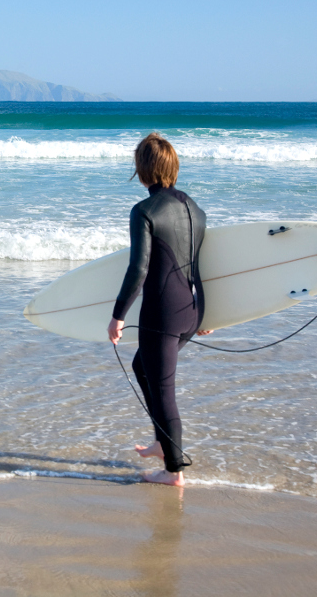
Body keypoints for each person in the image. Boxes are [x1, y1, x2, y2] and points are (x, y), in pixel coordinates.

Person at [107, 133, 213, 486]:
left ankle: (173, 472)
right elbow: (200, 269)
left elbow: (138, 269)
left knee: (164, 391)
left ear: (143, 169)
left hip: (162, 316)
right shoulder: (196, 210)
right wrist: (207, 313)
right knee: (143, 366)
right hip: (189, 312)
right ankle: (161, 443)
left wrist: (118, 316)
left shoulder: (144, 211)